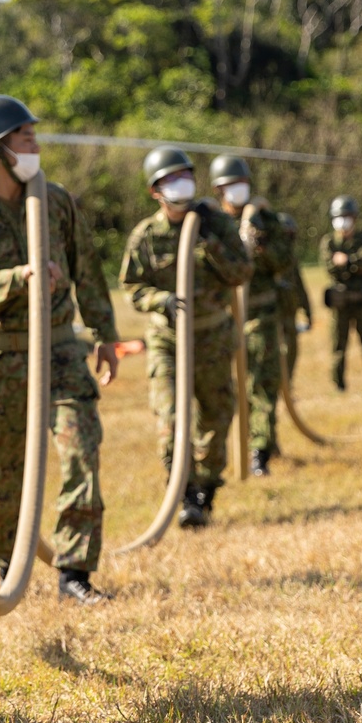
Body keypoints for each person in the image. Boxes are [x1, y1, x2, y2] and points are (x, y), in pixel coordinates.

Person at [0, 96, 119, 606]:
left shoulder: (56, 200)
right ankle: (7, 566)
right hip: (3, 358)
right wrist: (22, 278)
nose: (36, 146)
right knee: (4, 475)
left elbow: (88, 271)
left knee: (82, 449)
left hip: (60, 349)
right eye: (26, 138)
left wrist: (103, 334)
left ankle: (75, 574)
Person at [120, 147, 251, 527]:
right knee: (172, 418)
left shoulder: (215, 225)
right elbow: (132, 285)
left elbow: (242, 271)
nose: (182, 183)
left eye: (186, 175)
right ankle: (183, 490)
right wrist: (160, 299)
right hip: (168, 342)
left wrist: (211, 244)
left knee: (215, 415)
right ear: (154, 190)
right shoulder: (146, 236)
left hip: (212, 336)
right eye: (171, 178)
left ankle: (206, 489)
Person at [209, 156, 293, 477]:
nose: (238, 190)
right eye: (231, 185)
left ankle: (260, 451)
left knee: (262, 382)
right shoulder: (211, 223)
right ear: (219, 189)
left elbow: (284, 261)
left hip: (261, 314)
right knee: (222, 389)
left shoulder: (265, 220)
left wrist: (259, 245)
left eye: (242, 183)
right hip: (222, 318)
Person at [319, 195, 362, 390]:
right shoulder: (329, 241)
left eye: (347, 216)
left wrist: (347, 261)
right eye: (340, 216)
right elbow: (329, 266)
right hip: (341, 301)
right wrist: (353, 263)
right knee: (338, 345)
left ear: (354, 218)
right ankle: (338, 384)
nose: (344, 221)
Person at [277, 212, 311, 383]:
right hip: (273, 315)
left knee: (291, 351)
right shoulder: (269, 260)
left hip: (290, 313)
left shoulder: (291, 260)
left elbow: (300, 287)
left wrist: (308, 312)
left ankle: (287, 386)